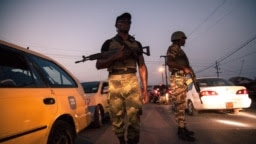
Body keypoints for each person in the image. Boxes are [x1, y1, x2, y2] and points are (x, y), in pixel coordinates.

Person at [96, 12, 149, 144]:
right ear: (116, 24)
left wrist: (145, 89)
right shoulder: (108, 43)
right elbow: (98, 64)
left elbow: (142, 66)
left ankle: (132, 141)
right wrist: (115, 57)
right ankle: (121, 141)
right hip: (114, 81)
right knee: (116, 116)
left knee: (135, 116)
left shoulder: (136, 44)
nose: (126, 23)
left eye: (128, 21)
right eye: (122, 21)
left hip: (131, 79)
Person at [166, 31, 196, 141]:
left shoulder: (179, 50)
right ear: (179, 39)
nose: (185, 40)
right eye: (184, 38)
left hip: (182, 79)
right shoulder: (173, 48)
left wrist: (189, 72)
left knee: (182, 105)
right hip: (177, 79)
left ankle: (182, 129)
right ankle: (181, 130)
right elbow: (169, 62)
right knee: (179, 105)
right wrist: (184, 68)